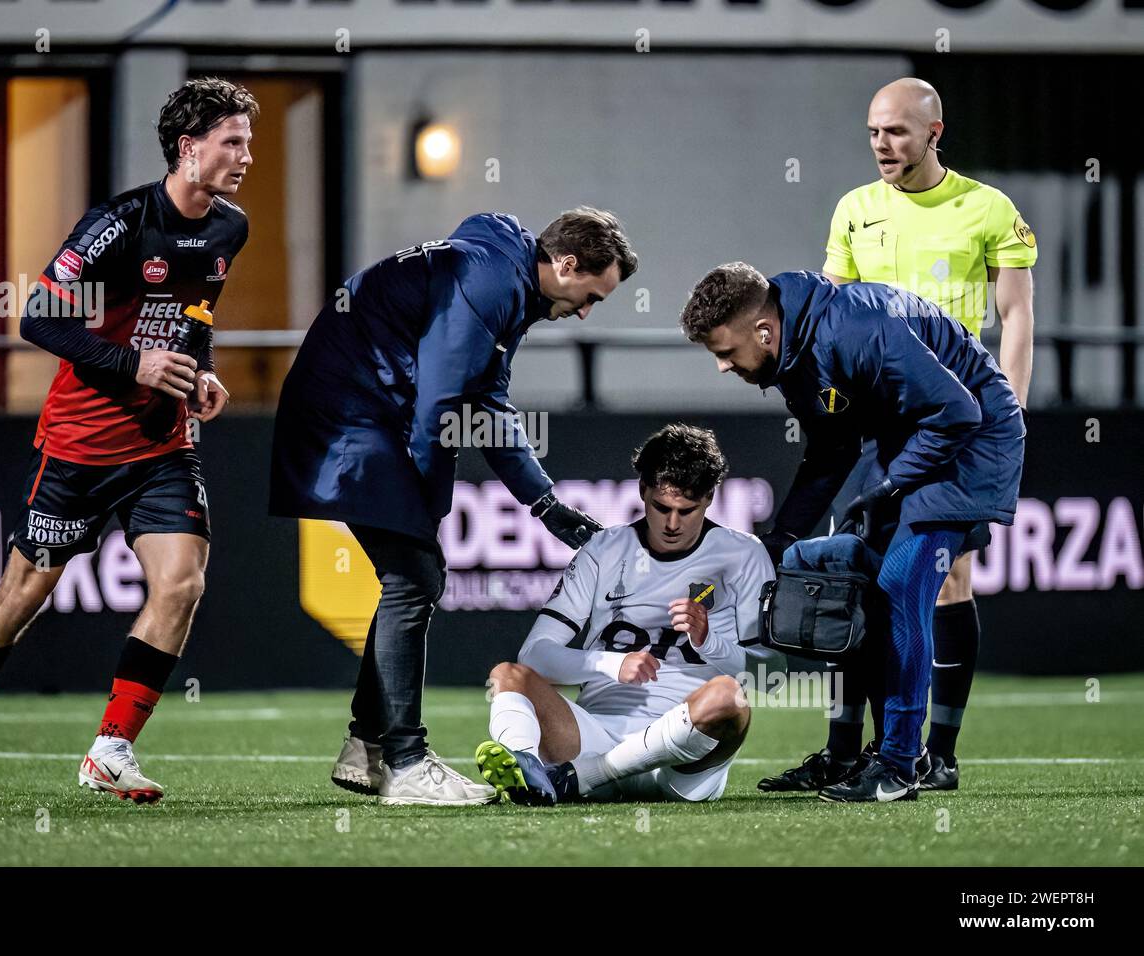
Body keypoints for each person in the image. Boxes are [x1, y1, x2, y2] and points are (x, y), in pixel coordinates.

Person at [0, 77, 256, 806]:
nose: (245, 155)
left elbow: (193, 313)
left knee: (183, 582)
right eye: (233, 141)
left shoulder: (230, 227)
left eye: (248, 142)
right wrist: (137, 363)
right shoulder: (120, 222)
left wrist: (203, 373)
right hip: (81, 444)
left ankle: (110, 749)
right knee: (24, 594)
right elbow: (37, 318)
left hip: (163, 444)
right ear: (189, 149)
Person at [270, 208, 638, 806]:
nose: (588, 311)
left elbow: (485, 405)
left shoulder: (507, 280)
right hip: (353, 418)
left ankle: (367, 749)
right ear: (566, 265)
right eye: (592, 295)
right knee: (414, 576)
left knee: (412, 576)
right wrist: (428, 501)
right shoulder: (495, 280)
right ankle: (406, 762)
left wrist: (544, 503)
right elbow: (442, 403)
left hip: (360, 413)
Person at [681, 263, 1024, 802]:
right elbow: (831, 452)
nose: (723, 367)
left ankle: (899, 767)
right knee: (843, 577)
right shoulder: (794, 355)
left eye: (725, 352)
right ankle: (843, 756)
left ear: (764, 332)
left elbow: (960, 410)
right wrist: (781, 538)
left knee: (902, 586)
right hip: (906, 436)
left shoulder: (854, 328)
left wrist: (891, 485)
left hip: (973, 439)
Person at [784, 77, 1037, 792]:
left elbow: (1015, 317)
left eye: (896, 131)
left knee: (942, 580)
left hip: (955, 418)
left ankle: (936, 752)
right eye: (872, 132)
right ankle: (847, 749)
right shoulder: (854, 211)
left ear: (934, 131)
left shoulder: (988, 210)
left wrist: (1010, 410)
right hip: (878, 431)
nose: (881, 145)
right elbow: (829, 316)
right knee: (859, 574)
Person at [474, 424, 778, 805]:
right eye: (661, 507)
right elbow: (535, 655)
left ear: (710, 498)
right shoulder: (602, 549)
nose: (672, 523)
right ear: (642, 491)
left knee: (729, 698)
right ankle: (530, 772)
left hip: (679, 759)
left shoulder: (744, 554)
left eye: (687, 511)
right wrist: (608, 663)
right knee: (508, 676)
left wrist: (710, 642)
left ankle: (582, 777)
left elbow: (773, 675)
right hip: (590, 735)